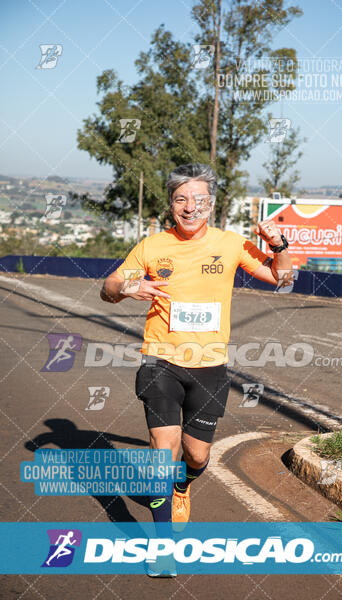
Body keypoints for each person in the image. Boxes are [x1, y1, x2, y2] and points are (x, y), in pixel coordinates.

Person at [100, 163, 292, 573]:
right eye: (181, 199)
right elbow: (108, 288)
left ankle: (183, 485)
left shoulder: (231, 244)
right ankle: (162, 546)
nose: (190, 207)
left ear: (211, 203)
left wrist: (279, 245)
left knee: (197, 456)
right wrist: (129, 287)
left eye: (198, 199)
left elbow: (283, 279)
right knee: (162, 454)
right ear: (171, 204)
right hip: (160, 361)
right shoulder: (152, 247)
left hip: (209, 367)